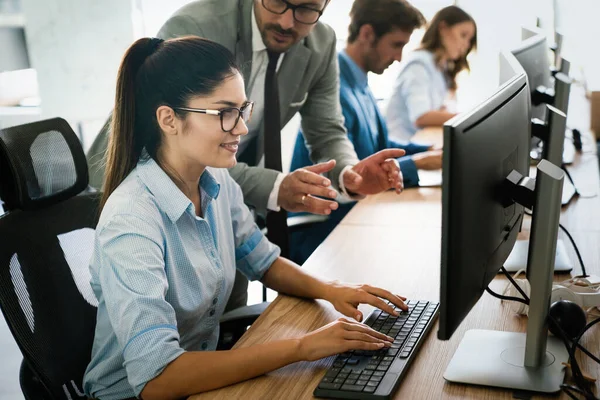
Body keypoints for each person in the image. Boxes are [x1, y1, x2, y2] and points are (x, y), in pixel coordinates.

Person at [83, 36, 408, 400]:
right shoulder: (131, 219)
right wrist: (302, 347)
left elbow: (264, 262)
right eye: (224, 113)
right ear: (169, 119)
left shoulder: (215, 178)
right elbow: (157, 379)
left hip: (201, 373)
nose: (240, 129)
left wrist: (332, 289)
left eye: (242, 110)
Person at [86, 0, 405, 313]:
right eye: (279, 2)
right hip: (151, 183)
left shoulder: (320, 44)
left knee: (218, 314)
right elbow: (178, 147)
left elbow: (327, 130)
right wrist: (276, 187)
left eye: (306, 9)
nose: (287, 22)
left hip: (215, 181)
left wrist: (349, 175)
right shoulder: (197, 28)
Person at [288, 0, 443, 265]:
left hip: (354, 216)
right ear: (367, 34)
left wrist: (430, 151)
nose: (399, 57)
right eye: (396, 45)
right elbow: (362, 173)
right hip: (323, 227)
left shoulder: (359, 79)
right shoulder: (334, 85)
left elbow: (377, 145)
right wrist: (418, 163)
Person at [386, 5, 477, 142]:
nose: (466, 45)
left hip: (422, 140)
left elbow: (442, 108)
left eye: (470, 40)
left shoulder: (443, 66)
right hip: (402, 145)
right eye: (463, 35)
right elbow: (421, 116)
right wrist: (469, 117)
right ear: (443, 28)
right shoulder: (418, 64)